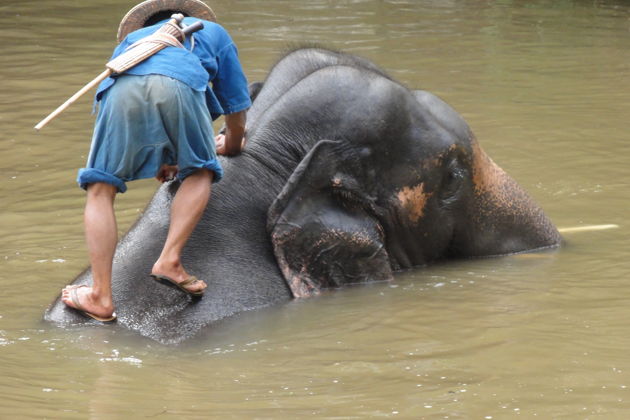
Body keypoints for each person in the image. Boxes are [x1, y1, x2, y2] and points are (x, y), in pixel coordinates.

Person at [61, 0, 251, 322]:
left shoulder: (131, 43)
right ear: (191, 17)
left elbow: (145, 91)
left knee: (100, 187)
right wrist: (232, 144)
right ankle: (170, 259)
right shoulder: (213, 33)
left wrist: (170, 157)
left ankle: (100, 296)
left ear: (145, 23)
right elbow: (235, 104)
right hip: (179, 81)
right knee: (201, 172)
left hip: (119, 86)